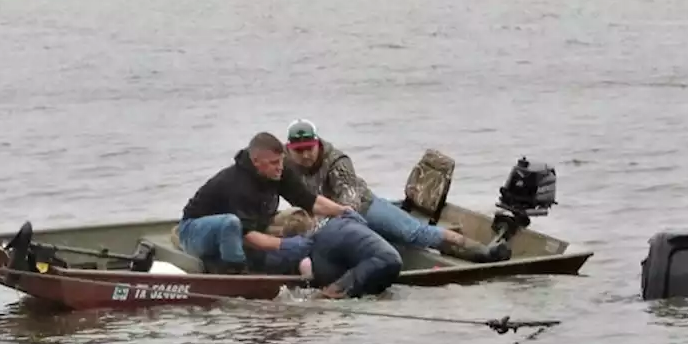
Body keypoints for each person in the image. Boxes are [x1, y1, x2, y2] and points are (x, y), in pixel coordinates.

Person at [282, 119, 511, 264]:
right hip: (325, 216)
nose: (305, 155)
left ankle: (481, 251)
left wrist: (322, 223)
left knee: (414, 234)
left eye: (309, 149)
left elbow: (349, 203)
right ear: (289, 149)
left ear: (317, 144)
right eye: (298, 150)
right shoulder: (282, 162)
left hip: (363, 207)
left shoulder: (337, 162)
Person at [178, 131, 356, 273]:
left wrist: (342, 210)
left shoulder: (279, 171)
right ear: (256, 162)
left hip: (245, 229)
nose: (280, 167)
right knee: (231, 224)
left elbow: (309, 201)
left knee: (298, 221)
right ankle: (235, 271)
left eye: (281, 161)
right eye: (273, 163)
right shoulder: (237, 183)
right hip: (194, 231)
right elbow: (246, 234)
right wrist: (284, 245)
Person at [257, 208, 404, 299]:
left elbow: (319, 276)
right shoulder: (340, 222)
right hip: (387, 261)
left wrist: (334, 288)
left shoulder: (313, 244)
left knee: (321, 296)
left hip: (382, 260)